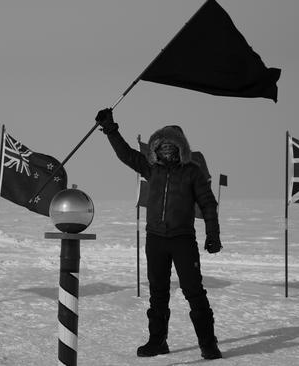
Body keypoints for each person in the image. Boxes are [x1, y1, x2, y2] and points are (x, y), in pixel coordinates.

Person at [95, 108, 223, 360]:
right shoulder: (150, 168)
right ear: (155, 148)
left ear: (181, 148)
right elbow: (125, 155)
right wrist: (111, 129)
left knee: (194, 292)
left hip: (182, 240)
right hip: (155, 239)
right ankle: (157, 341)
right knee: (158, 293)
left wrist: (213, 234)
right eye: (162, 146)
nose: (166, 150)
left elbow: (208, 203)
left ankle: (208, 345)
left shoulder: (192, 172)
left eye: (171, 146)